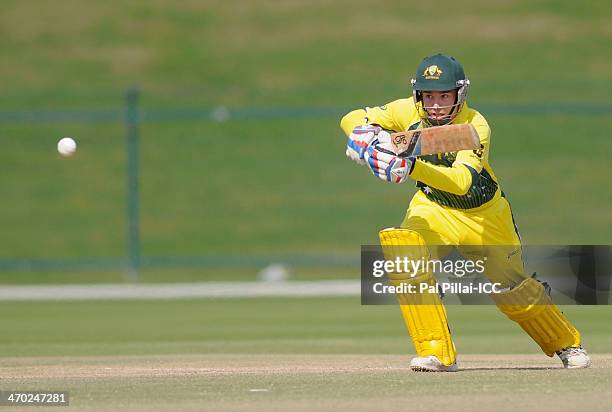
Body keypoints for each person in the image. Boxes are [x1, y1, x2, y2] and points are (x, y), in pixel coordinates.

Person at [340, 53, 591, 372]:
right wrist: (363, 135)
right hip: (433, 209)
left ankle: (566, 343)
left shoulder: (474, 126)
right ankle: (436, 353)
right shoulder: (405, 110)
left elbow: (461, 182)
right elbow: (352, 116)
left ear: (460, 94)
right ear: (418, 95)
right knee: (404, 255)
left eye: (444, 95)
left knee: (510, 289)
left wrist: (410, 167)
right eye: (428, 96)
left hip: (485, 217)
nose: (435, 104)